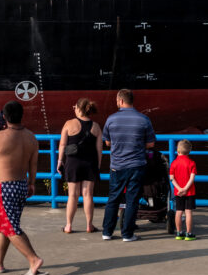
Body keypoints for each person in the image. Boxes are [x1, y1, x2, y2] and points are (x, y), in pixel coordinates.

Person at [0, 100, 48, 275]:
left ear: (5, 117)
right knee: (4, 225)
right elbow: (33, 164)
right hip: (21, 185)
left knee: (9, 226)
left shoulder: (0, 136)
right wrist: (31, 183)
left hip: (4, 188)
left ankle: (33, 260)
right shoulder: (31, 137)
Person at [102, 89, 156, 242]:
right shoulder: (143, 119)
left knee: (113, 198)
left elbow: (107, 142)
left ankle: (107, 232)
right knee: (132, 200)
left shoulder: (111, 119)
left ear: (120, 101)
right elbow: (151, 143)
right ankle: (127, 234)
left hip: (117, 166)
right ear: (132, 101)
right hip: (137, 165)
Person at [57, 98, 103, 234]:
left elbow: (62, 145)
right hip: (90, 163)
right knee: (88, 195)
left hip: (73, 162)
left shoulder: (69, 124)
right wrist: (98, 165)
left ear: (79, 108)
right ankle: (89, 225)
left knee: (72, 195)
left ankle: (68, 226)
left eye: (75, 107)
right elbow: (99, 149)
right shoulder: (96, 126)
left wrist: (60, 161)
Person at [169, 139, 197, 241]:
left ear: (177, 150)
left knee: (179, 211)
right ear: (189, 150)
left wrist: (179, 188)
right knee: (188, 212)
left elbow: (171, 178)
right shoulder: (191, 163)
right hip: (189, 191)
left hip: (178, 191)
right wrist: (185, 188)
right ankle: (189, 234)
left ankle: (179, 233)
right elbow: (192, 178)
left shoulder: (174, 163)